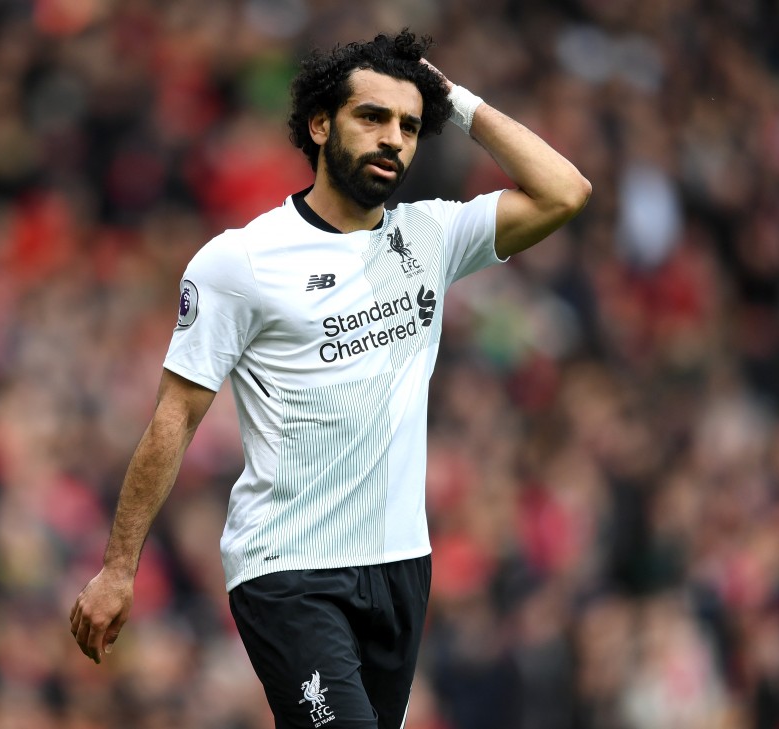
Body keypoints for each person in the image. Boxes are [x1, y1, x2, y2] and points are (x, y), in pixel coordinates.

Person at [70, 28, 590, 729]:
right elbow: (175, 416)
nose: (392, 139)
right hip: (289, 569)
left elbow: (565, 191)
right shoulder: (242, 262)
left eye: (409, 125)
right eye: (371, 117)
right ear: (320, 124)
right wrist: (119, 566)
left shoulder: (428, 239)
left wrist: (456, 102)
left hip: (401, 564)